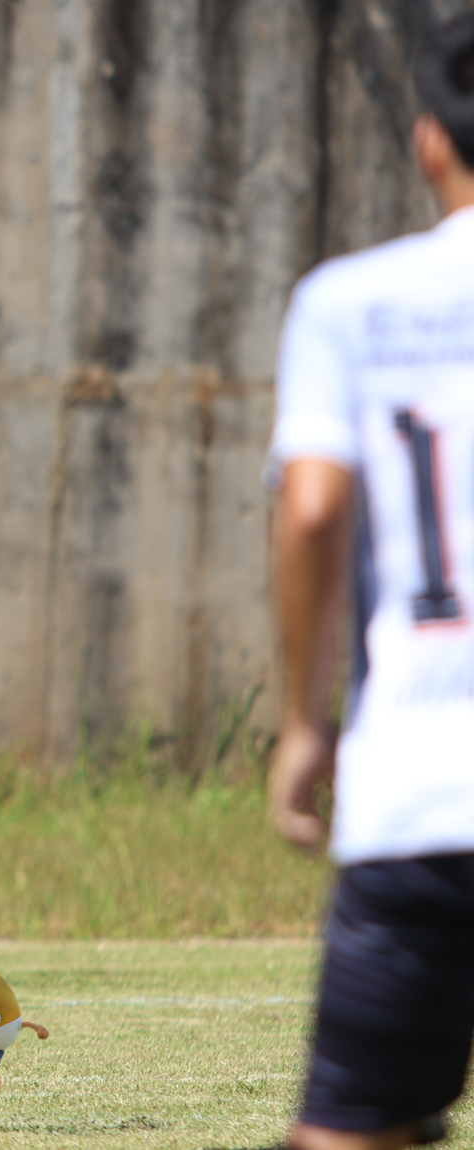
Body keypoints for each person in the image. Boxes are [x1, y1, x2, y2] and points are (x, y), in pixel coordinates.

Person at [268, 15, 474, 1150]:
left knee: (357, 1128)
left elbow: (310, 510)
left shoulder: (349, 302)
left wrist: (306, 725)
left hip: (421, 782)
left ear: (427, 139)